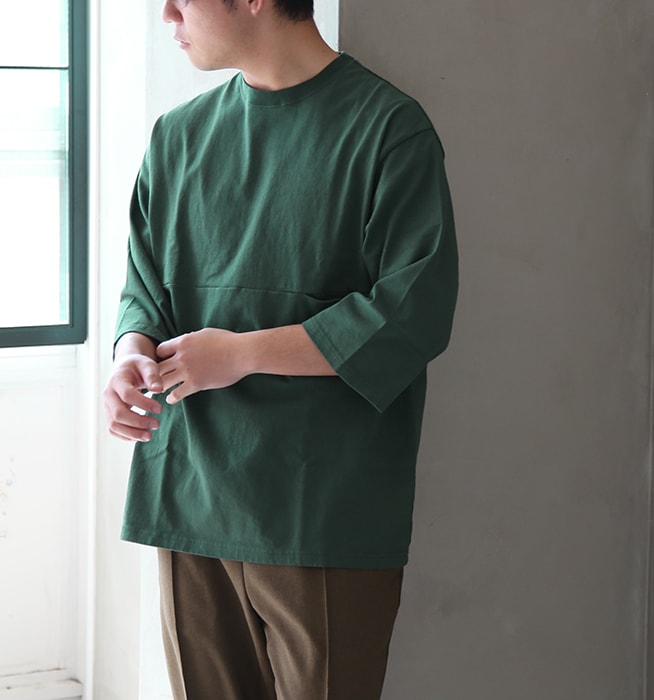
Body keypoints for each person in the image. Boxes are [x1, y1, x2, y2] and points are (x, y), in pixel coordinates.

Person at [103, 0, 458, 697]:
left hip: (322, 506)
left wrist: (240, 354)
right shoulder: (178, 136)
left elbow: (412, 312)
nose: (167, 14)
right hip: (193, 491)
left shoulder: (388, 129)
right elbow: (144, 285)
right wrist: (128, 353)